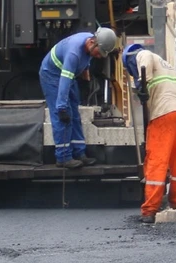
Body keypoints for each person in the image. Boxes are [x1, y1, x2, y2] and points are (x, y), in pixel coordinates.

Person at [123, 43, 176, 223]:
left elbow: (144, 65)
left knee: (157, 161)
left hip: (164, 114)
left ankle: (150, 209)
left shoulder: (142, 54)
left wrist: (142, 85)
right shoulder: (165, 65)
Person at [40, 27, 118, 168]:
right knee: (63, 116)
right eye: (99, 52)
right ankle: (63, 157)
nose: (99, 56)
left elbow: (86, 59)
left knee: (75, 114)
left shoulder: (90, 41)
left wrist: (85, 77)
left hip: (67, 75)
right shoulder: (73, 53)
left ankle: (79, 153)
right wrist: (61, 107)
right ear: (92, 43)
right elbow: (64, 81)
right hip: (52, 76)